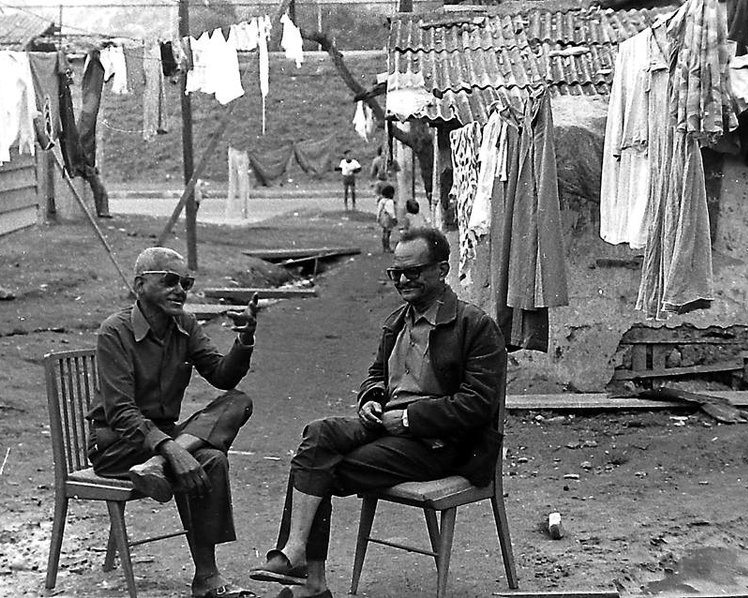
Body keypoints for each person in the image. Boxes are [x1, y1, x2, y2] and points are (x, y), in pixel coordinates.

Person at [249, 228, 507, 598]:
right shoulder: (397, 321)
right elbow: (376, 376)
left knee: (319, 466)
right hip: (387, 427)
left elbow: (477, 404)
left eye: (413, 272)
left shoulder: (475, 326)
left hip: (443, 444)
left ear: (442, 270)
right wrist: (371, 399)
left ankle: (311, 579)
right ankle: (298, 555)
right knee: (319, 434)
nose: (403, 281)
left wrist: (408, 419)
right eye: (396, 273)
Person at [87, 247, 259, 598]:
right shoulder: (114, 331)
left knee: (238, 402)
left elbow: (222, 376)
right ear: (140, 285)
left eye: (186, 282)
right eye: (169, 280)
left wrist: (244, 340)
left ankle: (206, 577)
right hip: (118, 445)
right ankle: (208, 575)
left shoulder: (185, 325)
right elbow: (120, 412)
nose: (180, 290)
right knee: (208, 458)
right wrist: (171, 449)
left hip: (158, 446)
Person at [375, 184, 397, 253]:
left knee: (384, 232)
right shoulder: (390, 202)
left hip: (382, 217)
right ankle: (387, 247)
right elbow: (391, 212)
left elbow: (379, 210)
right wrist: (394, 218)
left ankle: (384, 247)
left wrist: (378, 217)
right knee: (388, 233)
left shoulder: (382, 201)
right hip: (388, 218)